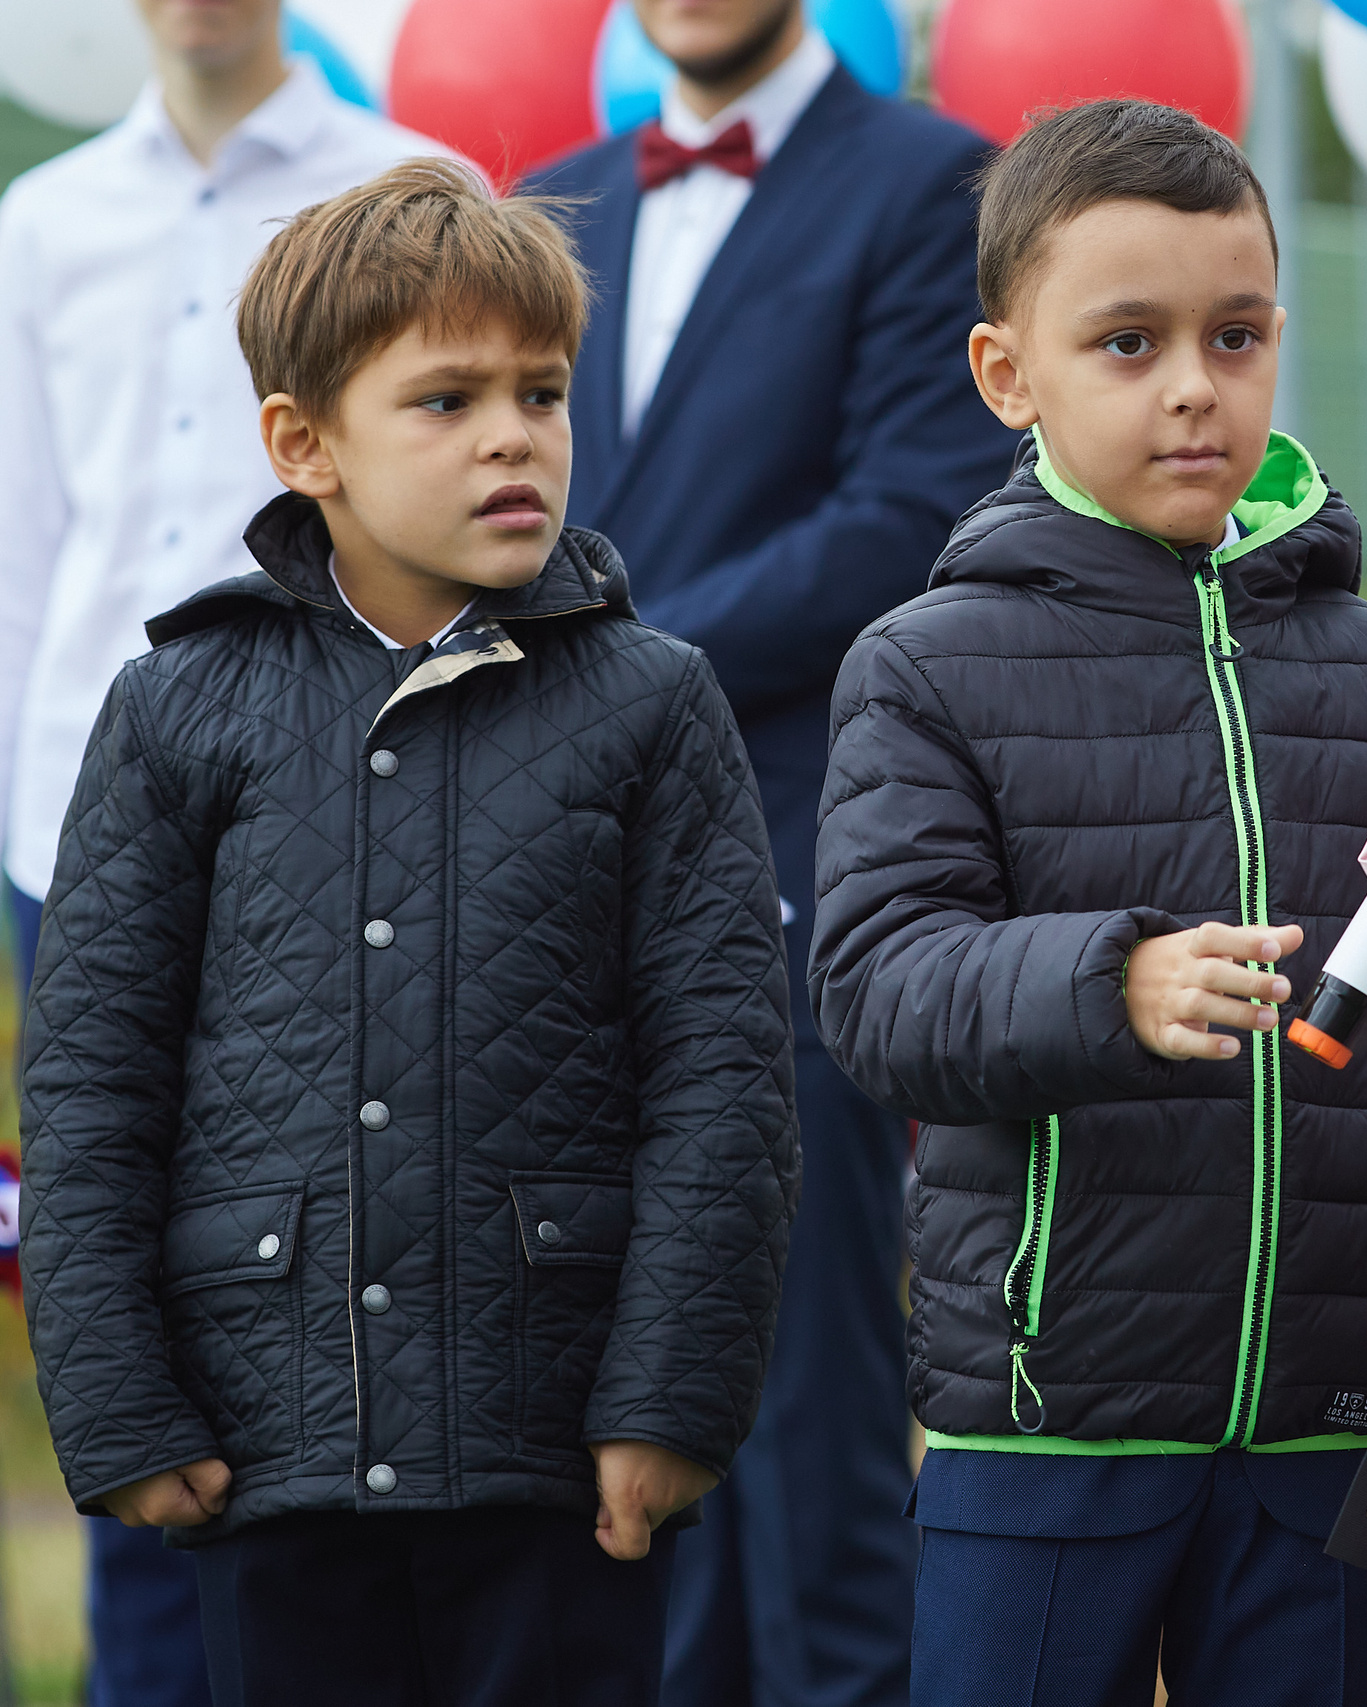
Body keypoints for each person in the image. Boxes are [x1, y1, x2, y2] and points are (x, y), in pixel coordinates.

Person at [16, 160, 799, 1707]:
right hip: (268, 1444)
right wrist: (120, 1408)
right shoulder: (178, 708)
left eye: (544, 390)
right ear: (306, 443)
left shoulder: (655, 703)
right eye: (446, 400)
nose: (515, 433)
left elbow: (725, 1083)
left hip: (556, 1445)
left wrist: (670, 1402)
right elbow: (94, 1082)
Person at [809, 99, 1367, 1707]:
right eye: (1128, 342)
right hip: (1047, 1420)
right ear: (1009, 374)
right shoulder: (925, 663)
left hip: (1329, 1430)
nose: (1196, 385)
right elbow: (877, 989)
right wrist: (1106, 985)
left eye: (1236, 334)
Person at [526, 8, 1014, 1696]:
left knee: (806, 1399)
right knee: (614, 1409)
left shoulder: (932, 185)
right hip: (555, 883)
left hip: (796, 860)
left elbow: (906, 517)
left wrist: (589, 661)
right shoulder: (554, 204)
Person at [0, 3, 445, 1697]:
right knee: (117, 1313)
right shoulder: (41, 225)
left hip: (338, 854)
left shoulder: (403, 191)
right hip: (74, 846)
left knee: (318, 1309)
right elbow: (20, 552)